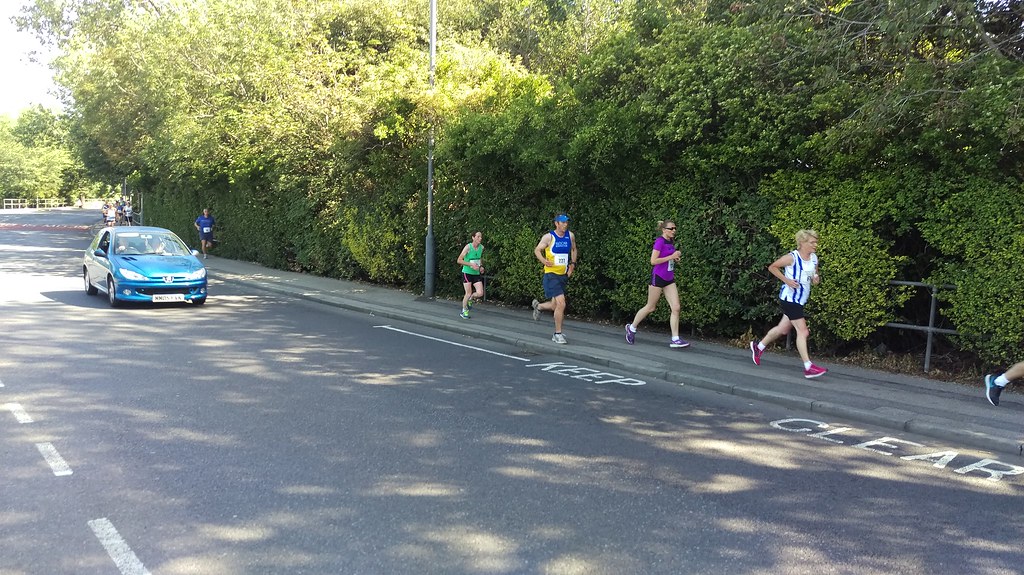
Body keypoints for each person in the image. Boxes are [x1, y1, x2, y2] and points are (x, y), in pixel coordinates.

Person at [749, 229, 828, 379]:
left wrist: (816, 279)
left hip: (800, 299)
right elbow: (772, 267)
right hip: (790, 299)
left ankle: (758, 347)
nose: (815, 245)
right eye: (812, 242)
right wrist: (787, 281)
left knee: (783, 329)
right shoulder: (792, 257)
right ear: (802, 243)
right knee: (803, 331)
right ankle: (808, 367)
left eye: (816, 242)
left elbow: (814, 276)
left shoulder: (814, 258)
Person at [625, 220, 689, 348]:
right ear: (664, 230)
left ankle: (675, 339)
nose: (674, 230)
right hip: (658, 277)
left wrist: (676, 257)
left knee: (676, 307)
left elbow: (670, 256)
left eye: (675, 228)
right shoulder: (659, 241)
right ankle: (631, 328)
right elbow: (653, 261)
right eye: (671, 228)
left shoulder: (670, 241)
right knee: (651, 307)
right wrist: (671, 257)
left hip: (669, 279)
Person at [532, 214, 577, 344]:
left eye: (566, 222)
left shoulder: (570, 236)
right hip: (551, 275)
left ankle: (539, 306)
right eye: (562, 223)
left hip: (563, 275)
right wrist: (544, 261)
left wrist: (572, 265)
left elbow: (574, 249)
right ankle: (557, 334)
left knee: (554, 305)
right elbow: (537, 250)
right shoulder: (549, 237)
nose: (565, 225)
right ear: (556, 223)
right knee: (562, 303)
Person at [457, 231, 485, 319]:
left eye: (481, 237)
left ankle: (471, 297)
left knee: (480, 293)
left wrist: (481, 267)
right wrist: (471, 264)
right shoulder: (468, 247)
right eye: (478, 237)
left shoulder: (481, 247)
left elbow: (479, 259)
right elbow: (459, 260)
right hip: (467, 272)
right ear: (473, 238)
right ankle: (464, 311)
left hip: (476, 273)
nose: (480, 238)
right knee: (468, 293)